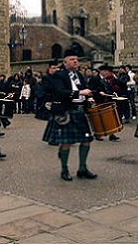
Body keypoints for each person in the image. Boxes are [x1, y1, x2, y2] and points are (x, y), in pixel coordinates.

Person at [43, 49, 97, 181]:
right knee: (66, 143)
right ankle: (64, 169)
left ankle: (82, 168)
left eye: (77, 59)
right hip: (67, 112)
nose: (75, 61)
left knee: (86, 140)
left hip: (79, 112)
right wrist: (80, 93)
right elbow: (60, 91)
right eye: (72, 59)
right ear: (65, 62)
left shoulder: (79, 75)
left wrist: (89, 97)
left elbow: (83, 91)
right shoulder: (59, 75)